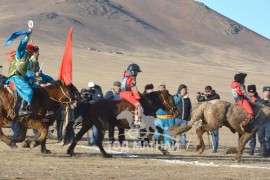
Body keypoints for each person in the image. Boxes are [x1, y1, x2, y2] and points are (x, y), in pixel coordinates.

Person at [6, 28, 34, 122]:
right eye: (32, 52)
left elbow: (24, 73)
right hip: (15, 77)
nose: (32, 54)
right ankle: (22, 110)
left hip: (20, 78)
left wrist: (31, 79)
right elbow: (21, 46)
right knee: (29, 91)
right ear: (29, 51)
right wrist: (27, 36)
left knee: (34, 86)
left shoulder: (27, 60)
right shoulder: (21, 54)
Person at [197, 85, 220, 152]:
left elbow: (214, 102)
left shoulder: (216, 96)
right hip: (207, 118)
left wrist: (206, 97)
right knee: (207, 132)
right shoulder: (206, 96)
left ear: (211, 90)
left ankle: (215, 147)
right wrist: (199, 97)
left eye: (208, 91)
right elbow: (200, 102)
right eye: (206, 91)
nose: (207, 93)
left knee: (215, 133)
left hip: (215, 118)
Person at [104, 81, 125, 146]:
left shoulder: (122, 93)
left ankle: (121, 141)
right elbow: (105, 101)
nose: (118, 88)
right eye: (116, 86)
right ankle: (111, 140)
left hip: (120, 114)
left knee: (121, 129)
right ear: (114, 86)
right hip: (112, 114)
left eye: (119, 86)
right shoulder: (110, 93)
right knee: (111, 128)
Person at [173, 84, 192, 149]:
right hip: (176, 118)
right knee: (175, 132)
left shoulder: (187, 99)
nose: (185, 91)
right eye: (183, 89)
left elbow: (190, 109)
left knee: (183, 133)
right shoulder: (175, 97)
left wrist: (189, 117)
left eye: (185, 90)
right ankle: (174, 145)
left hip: (184, 119)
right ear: (180, 90)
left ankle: (183, 146)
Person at [247, 85, 262, 155]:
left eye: (252, 93)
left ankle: (263, 149)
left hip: (257, 119)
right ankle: (252, 149)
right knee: (251, 135)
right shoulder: (246, 98)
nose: (251, 94)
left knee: (260, 135)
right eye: (249, 93)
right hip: (250, 120)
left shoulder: (258, 99)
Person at [257, 86, 270, 157]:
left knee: (268, 137)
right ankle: (263, 151)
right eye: (265, 92)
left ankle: (268, 151)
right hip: (260, 122)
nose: (267, 93)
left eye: (268, 92)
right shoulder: (259, 102)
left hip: (269, 122)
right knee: (260, 137)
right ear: (263, 92)